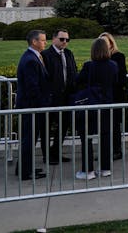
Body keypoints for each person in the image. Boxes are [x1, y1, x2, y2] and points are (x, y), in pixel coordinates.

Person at [74, 37, 118, 180]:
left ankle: (88, 170)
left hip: (90, 105)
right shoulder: (113, 65)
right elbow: (115, 83)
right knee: (105, 137)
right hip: (107, 105)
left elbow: (78, 81)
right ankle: (105, 168)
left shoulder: (89, 66)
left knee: (86, 138)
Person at [15, 29, 51, 180]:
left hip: (31, 106)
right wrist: (42, 105)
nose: (45, 43)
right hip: (31, 107)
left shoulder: (34, 56)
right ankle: (25, 172)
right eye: (43, 40)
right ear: (34, 42)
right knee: (29, 139)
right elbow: (32, 87)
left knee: (29, 139)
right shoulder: (30, 59)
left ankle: (24, 167)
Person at [42, 28, 77, 164]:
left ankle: (56, 152)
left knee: (63, 126)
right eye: (62, 39)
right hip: (51, 98)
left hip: (66, 98)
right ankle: (47, 155)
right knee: (47, 127)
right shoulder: (45, 55)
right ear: (54, 39)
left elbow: (73, 72)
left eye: (67, 40)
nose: (64, 42)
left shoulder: (68, 54)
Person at [99, 32, 127, 160]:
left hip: (115, 96)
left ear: (111, 43)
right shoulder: (98, 58)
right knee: (103, 125)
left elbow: (122, 78)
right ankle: (105, 150)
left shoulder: (118, 57)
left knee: (115, 125)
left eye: (106, 42)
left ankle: (117, 150)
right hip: (101, 97)